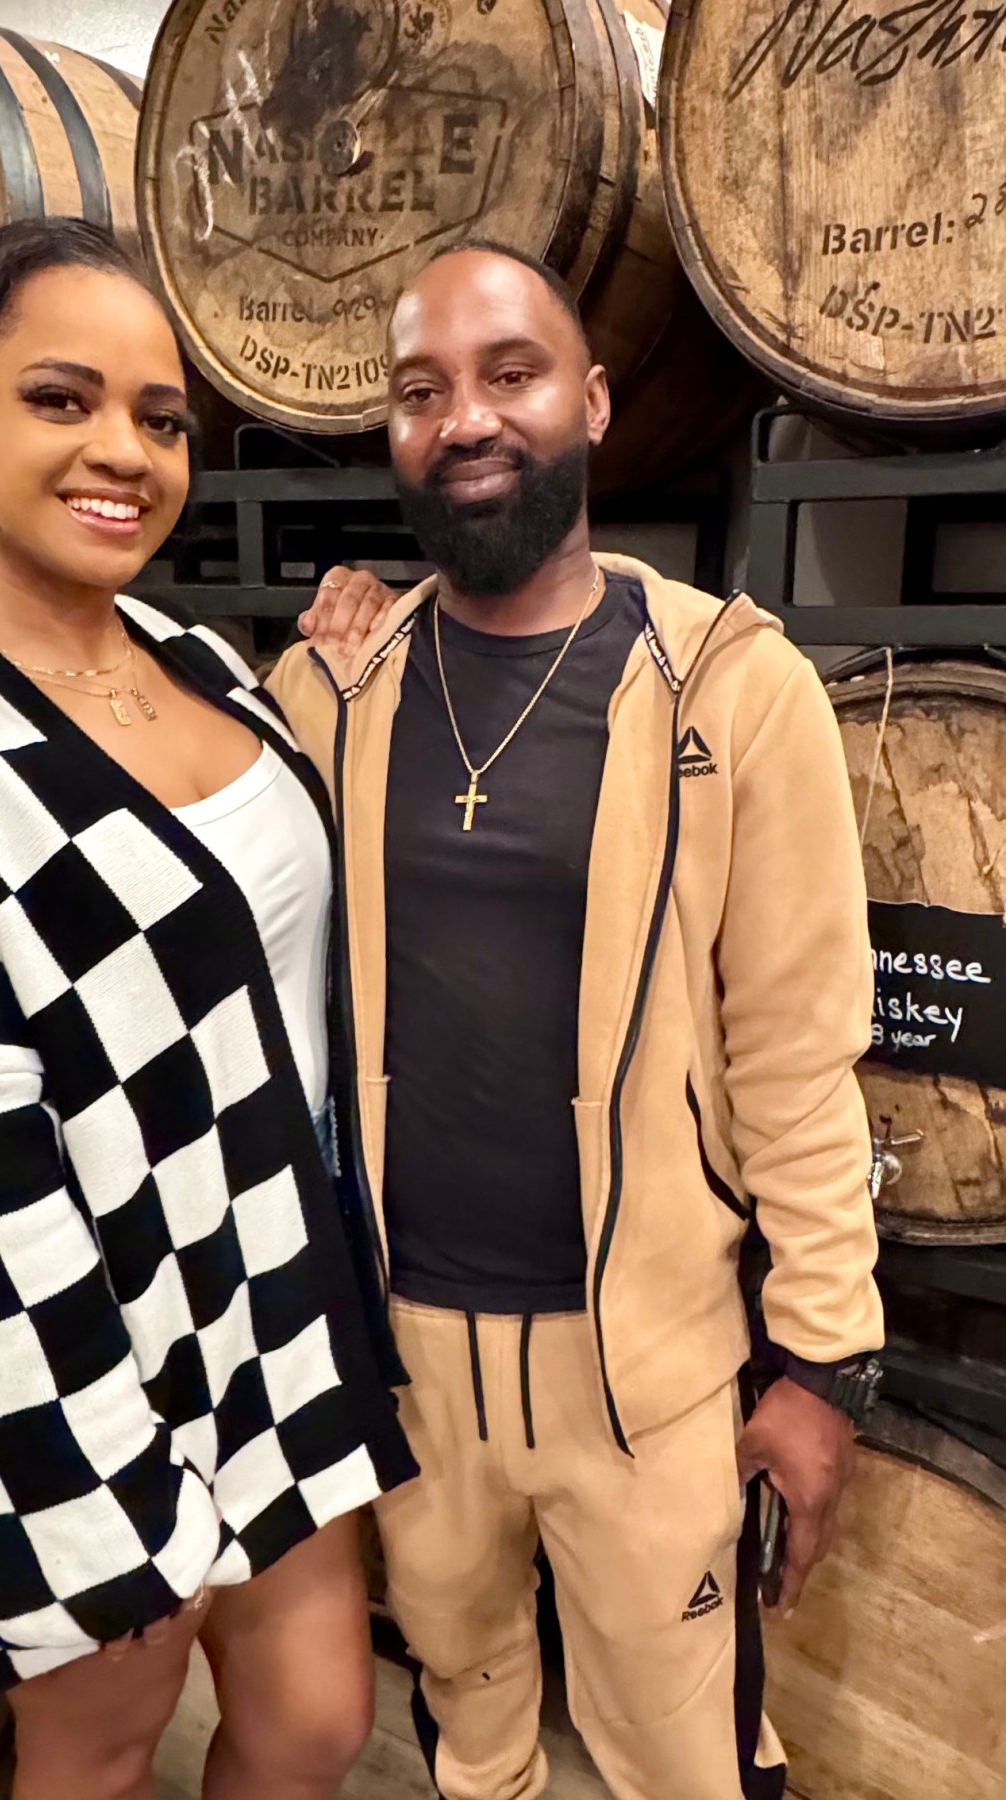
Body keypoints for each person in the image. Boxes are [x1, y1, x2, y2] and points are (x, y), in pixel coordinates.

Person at [0, 217, 414, 1800]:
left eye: (160, 416)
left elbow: (251, 949)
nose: (121, 450)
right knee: (102, 1751)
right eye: (61, 402)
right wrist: (95, 1482)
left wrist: (329, 682)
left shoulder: (204, 664)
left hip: (268, 1291)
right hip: (74, 1356)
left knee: (320, 1718)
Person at [273, 242, 888, 1800]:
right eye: (422, 393)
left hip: (649, 1377)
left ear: (595, 402)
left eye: (510, 373)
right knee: (472, 1740)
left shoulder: (734, 691)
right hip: (413, 1365)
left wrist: (820, 1365)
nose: (465, 419)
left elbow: (802, 1052)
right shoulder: (333, 690)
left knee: (684, 1760)